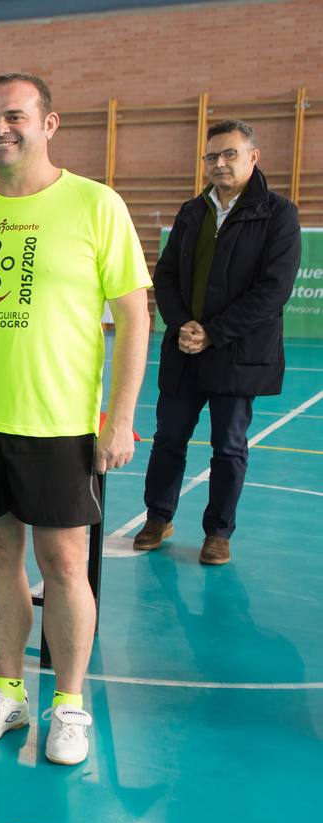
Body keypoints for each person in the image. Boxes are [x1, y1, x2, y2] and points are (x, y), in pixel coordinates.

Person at [0, 73, 150, 765]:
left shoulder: (97, 205)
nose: (0, 129)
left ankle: (68, 703)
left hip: (61, 423)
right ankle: (7, 692)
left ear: (49, 123)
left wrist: (119, 418)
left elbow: (133, 315)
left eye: (15, 116)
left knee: (63, 563)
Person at [135, 119, 301, 565]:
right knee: (168, 437)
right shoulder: (192, 211)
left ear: (253, 158)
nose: (220, 163)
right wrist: (184, 325)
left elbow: (274, 289)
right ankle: (158, 516)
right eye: (213, 156)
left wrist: (214, 333)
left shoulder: (278, 214)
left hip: (238, 355)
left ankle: (218, 531)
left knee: (228, 446)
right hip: (185, 352)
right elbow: (165, 276)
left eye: (230, 154)